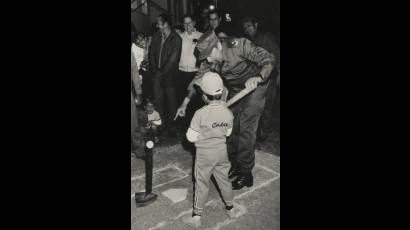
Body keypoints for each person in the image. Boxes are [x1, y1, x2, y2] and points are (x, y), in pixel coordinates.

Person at [176, 23, 276, 190]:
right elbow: (197, 80)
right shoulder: (209, 59)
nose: (207, 60)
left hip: (256, 86)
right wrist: (185, 103)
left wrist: (259, 77)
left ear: (217, 46)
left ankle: (246, 172)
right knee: (230, 124)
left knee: (246, 127)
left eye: (209, 55)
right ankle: (236, 163)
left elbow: (268, 59)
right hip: (237, 90)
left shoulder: (238, 45)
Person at [181, 72, 241, 228]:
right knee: (224, 181)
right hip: (221, 152)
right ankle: (231, 208)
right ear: (221, 94)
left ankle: (196, 217)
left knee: (201, 183)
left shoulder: (200, 114)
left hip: (205, 154)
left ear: (204, 96)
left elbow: (191, 137)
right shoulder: (228, 113)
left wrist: (203, 135)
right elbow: (227, 133)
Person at [242, 16, 281, 141]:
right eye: (245, 27)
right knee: (257, 107)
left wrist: (279, 74)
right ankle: (256, 133)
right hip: (257, 79)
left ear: (256, 25)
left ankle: (263, 134)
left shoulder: (266, 38)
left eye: (249, 25)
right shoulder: (248, 41)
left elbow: (278, 56)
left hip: (270, 78)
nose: (247, 29)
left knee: (267, 107)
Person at [148, 13, 182, 136]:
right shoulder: (156, 36)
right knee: (159, 103)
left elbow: (173, 61)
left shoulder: (177, 39)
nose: (157, 25)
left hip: (170, 77)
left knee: (172, 105)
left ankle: (173, 129)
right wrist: (155, 71)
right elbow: (151, 54)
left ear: (165, 24)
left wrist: (160, 73)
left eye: (159, 23)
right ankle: (161, 128)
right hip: (156, 76)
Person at [176, 14, 203, 133]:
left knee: (195, 103)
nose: (188, 25)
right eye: (185, 23)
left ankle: (196, 129)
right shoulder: (179, 37)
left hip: (196, 73)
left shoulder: (201, 36)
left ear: (194, 23)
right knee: (182, 100)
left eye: (190, 22)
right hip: (181, 74)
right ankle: (184, 130)